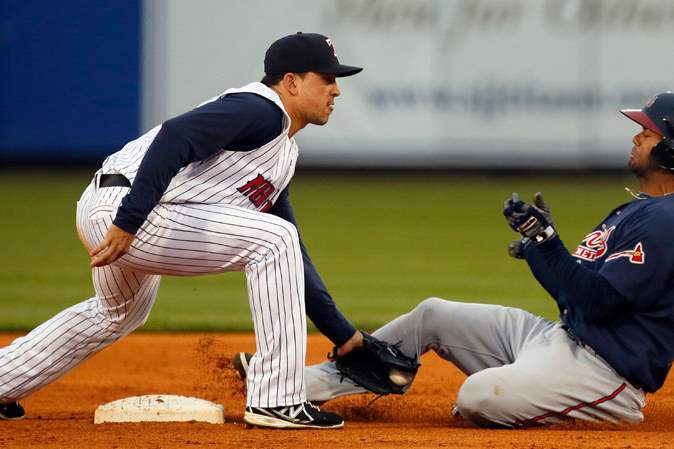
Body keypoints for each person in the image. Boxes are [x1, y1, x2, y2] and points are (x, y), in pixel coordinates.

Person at [235, 92, 674, 427]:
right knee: (433, 314)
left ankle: (555, 400)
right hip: (562, 339)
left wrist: (548, 245)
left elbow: (597, 303)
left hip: (604, 374)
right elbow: (576, 295)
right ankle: (294, 385)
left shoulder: (664, 220)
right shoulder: (638, 209)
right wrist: (542, 248)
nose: (637, 136)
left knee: (477, 397)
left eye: (649, 131)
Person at [0, 32, 366, 429]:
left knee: (118, 313)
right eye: (326, 79)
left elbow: (294, 254)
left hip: (123, 205)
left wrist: (345, 336)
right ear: (292, 81)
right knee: (273, 240)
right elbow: (175, 136)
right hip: (131, 210)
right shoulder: (260, 109)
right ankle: (276, 400)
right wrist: (128, 221)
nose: (336, 90)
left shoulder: (280, 151)